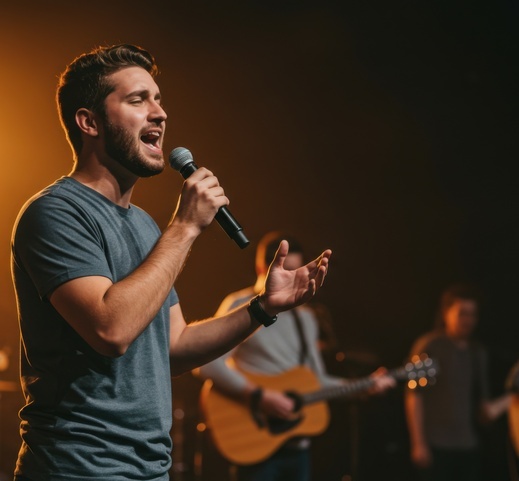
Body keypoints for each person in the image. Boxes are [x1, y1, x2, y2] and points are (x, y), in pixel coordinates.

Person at [9, 44, 332, 481]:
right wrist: (185, 227)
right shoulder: (56, 212)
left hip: (149, 470)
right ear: (89, 122)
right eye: (138, 100)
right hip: (79, 468)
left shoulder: (144, 226)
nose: (160, 113)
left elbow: (174, 348)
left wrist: (262, 308)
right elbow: (110, 330)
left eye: (158, 100)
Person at [195, 231, 395, 481]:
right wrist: (259, 397)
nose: (292, 278)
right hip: (254, 443)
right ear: (262, 267)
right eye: (286, 270)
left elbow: (316, 380)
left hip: (298, 447)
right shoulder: (240, 303)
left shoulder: (306, 317)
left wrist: (364, 386)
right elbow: (207, 364)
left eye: (297, 270)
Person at [405, 283, 511, 481]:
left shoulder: (478, 352)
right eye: (462, 313)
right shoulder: (430, 345)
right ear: (446, 313)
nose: (468, 320)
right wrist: (418, 443)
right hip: (436, 444)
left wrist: (510, 398)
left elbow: (485, 410)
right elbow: (414, 395)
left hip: (469, 446)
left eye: (473, 314)